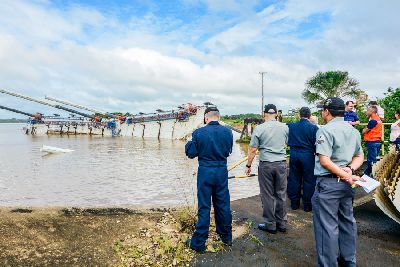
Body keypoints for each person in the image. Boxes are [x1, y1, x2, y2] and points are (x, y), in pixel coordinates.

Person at [312, 97, 365, 267]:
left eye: (323, 110)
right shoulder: (353, 131)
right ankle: (349, 261)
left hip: (329, 184)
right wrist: (350, 170)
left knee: (327, 228)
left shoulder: (325, 130)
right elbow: (359, 156)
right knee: (347, 222)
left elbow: (325, 161)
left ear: (327, 111)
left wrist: (345, 173)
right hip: (347, 184)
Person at [185, 106, 233, 252]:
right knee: (223, 204)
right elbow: (228, 151)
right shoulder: (228, 132)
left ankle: (199, 242)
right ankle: (226, 237)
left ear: (206, 118)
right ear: (218, 117)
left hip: (205, 171)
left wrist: (189, 140)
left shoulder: (199, 132)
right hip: (221, 170)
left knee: (204, 206)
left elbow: (191, 153)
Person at [245, 104, 288, 234]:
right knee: (281, 194)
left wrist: (248, 166)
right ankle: (282, 223)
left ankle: (270, 224)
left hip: (266, 165)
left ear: (264, 114)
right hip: (281, 164)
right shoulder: (285, 127)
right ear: (276, 114)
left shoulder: (259, 128)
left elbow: (253, 149)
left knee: (267, 195)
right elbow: (286, 143)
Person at [287, 107, 319, 212]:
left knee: (294, 178)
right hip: (308, 155)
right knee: (309, 179)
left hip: (294, 154)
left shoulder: (291, 126)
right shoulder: (314, 128)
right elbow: (317, 144)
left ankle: (294, 203)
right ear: (309, 116)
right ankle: (307, 205)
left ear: (299, 115)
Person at [363, 105, 383, 176]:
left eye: (368, 110)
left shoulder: (373, 120)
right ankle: (368, 173)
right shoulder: (378, 119)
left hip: (372, 141)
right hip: (377, 141)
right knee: (373, 158)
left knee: (371, 160)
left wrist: (364, 130)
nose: (367, 112)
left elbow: (365, 130)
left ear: (371, 111)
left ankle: (370, 174)